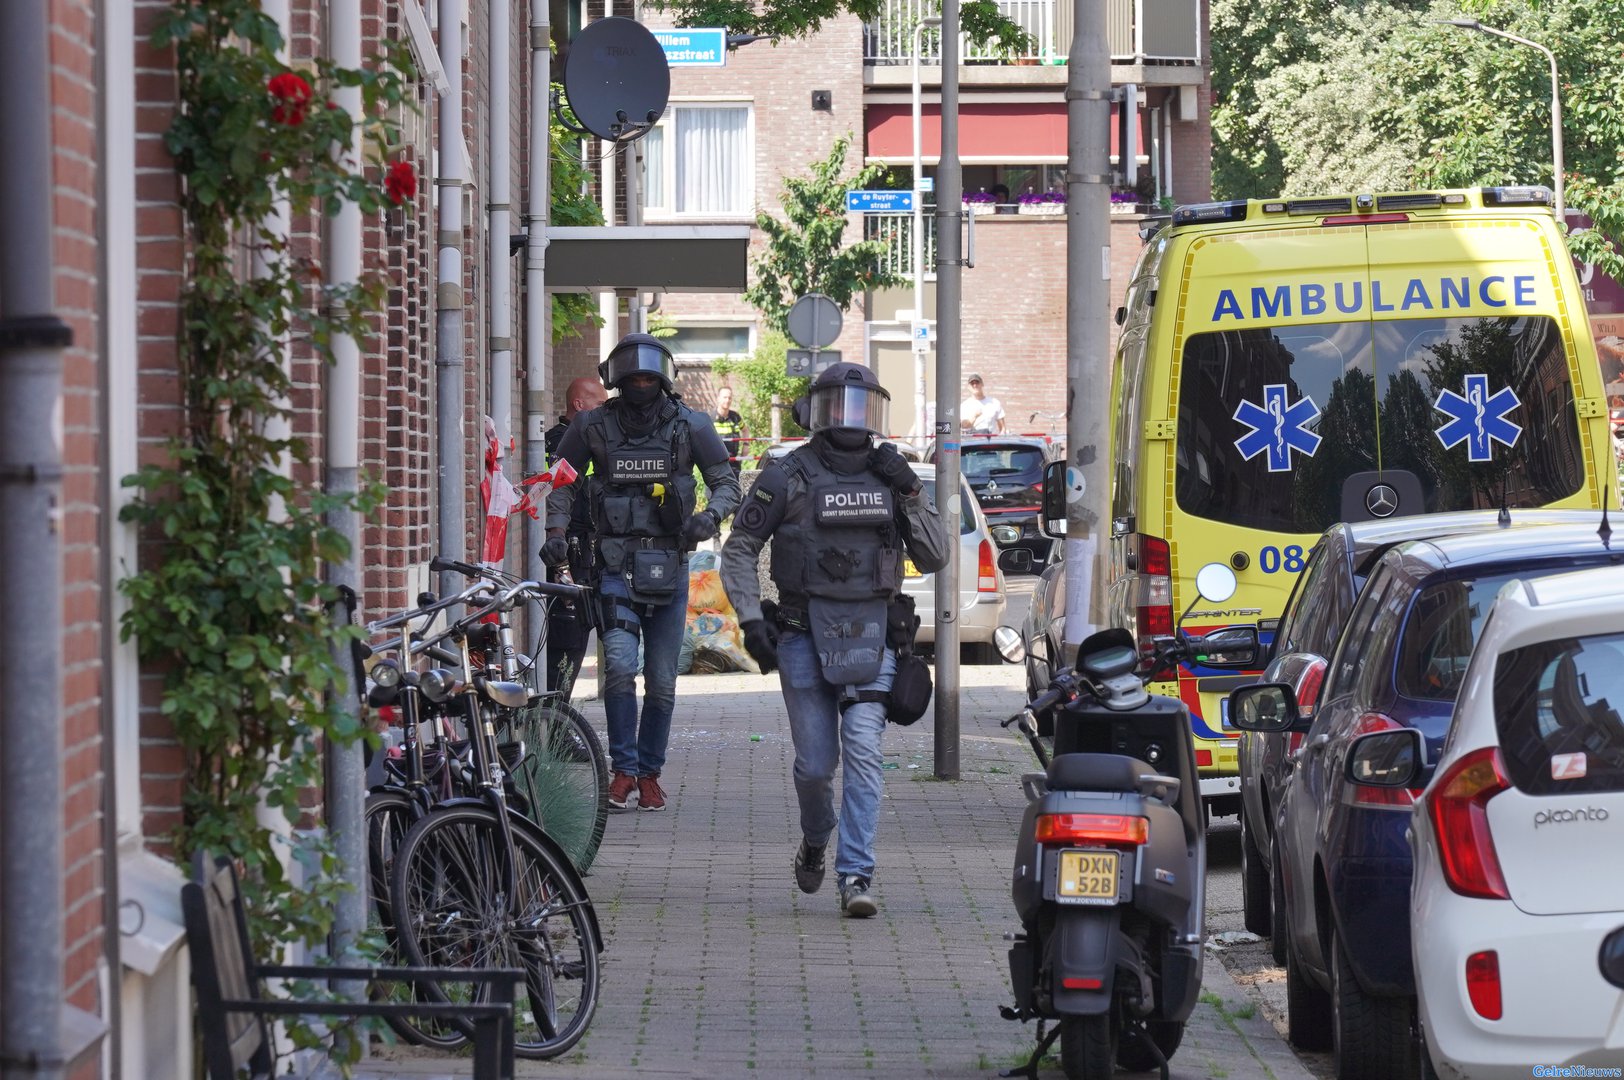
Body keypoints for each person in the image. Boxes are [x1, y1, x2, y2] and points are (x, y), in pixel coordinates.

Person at [719, 363, 949, 918]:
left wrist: (913, 492)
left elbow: (937, 556)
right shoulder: (786, 475)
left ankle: (856, 875)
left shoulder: (893, 478)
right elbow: (740, 547)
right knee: (817, 766)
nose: (850, 419)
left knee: (866, 753)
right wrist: (752, 621)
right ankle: (816, 838)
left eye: (861, 407)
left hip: (875, 635)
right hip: (800, 634)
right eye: (839, 406)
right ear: (817, 412)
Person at [545, 334, 742, 812]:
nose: (639, 384)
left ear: (661, 380)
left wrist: (710, 517)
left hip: (670, 567)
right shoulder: (592, 426)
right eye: (631, 378)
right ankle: (623, 770)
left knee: (662, 680)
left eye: (647, 378)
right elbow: (561, 482)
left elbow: (727, 485)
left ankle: (650, 773)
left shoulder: (691, 426)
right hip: (613, 566)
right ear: (616, 380)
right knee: (617, 665)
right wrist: (554, 533)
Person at [542, 376, 609, 701]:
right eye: (599, 404)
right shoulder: (561, 443)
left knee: (580, 632)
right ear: (579, 405)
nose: (604, 412)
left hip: (584, 552)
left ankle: (560, 717)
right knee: (568, 636)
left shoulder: (587, 439)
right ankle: (557, 719)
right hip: (565, 552)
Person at [712, 385, 746, 477]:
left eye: (729, 398)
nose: (727, 400)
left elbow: (745, 430)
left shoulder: (735, 417)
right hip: (716, 464)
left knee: (736, 490)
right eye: (725, 397)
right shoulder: (710, 418)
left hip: (734, 463)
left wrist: (746, 445)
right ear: (718, 398)